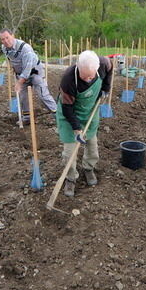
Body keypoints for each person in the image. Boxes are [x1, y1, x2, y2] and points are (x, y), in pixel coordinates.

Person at [55, 50, 113, 197]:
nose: (88, 79)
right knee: (69, 152)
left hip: (90, 112)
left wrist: (106, 88)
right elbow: (67, 108)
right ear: (78, 67)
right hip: (70, 115)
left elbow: (111, 68)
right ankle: (70, 178)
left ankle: (89, 168)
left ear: (97, 68)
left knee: (92, 145)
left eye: (91, 76)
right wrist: (76, 128)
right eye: (84, 76)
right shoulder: (68, 80)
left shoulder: (103, 64)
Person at [0, 28, 57, 123]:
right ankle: (27, 117)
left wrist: (19, 83)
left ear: (12, 36)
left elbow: (27, 68)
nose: (5, 41)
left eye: (7, 38)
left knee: (43, 95)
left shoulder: (25, 48)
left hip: (35, 72)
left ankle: (58, 115)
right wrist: (12, 67)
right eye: (3, 39)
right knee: (23, 96)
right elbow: (9, 58)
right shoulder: (4, 48)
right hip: (21, 74)